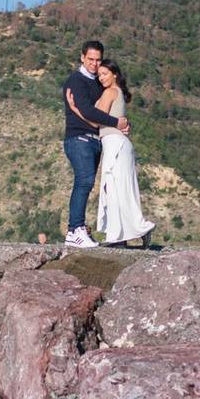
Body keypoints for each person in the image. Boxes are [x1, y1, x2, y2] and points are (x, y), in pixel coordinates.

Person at [66, 58, 155, 247]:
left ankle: (125, 234)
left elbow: (96, 120)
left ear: (115, 74)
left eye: (105, 73)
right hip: (118, 144)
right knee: (120, 190)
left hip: (114, 143)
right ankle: (126, 234)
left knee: (114, 189)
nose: (102, 78)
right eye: (99, 75)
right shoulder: (118, 92)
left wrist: (75, 109)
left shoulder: (109, 92)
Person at [61, 41, 129, 248]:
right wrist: (116, 123)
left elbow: (105, 110)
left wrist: (121, 124)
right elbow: (90, 112)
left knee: (94, 184)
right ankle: (75, 230)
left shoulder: (99, 82)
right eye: (90, 59)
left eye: (98, 60)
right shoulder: (76, 80)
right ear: (82, 57)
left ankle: (116, 232)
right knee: (84, 181)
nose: (94, 63)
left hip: (97, 140)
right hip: (79, 138)